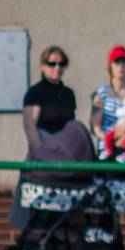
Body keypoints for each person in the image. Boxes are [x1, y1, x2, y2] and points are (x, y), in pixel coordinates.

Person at [12, 45, 76, 228]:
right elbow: (30, 126)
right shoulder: (35, 92)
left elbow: (71, 126)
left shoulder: (68, 94)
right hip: (41, 153)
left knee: (59, 206)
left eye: (61, 64)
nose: (57, 68)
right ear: (42, 65)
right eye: (52, 63)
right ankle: (30, 247)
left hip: (62, 155)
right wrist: (42, 155)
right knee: (32, 204)